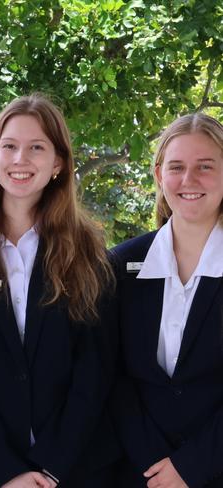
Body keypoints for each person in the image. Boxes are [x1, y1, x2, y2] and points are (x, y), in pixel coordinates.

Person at [0, 94, 120, 488]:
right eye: (10, 146)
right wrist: (8, 472)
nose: (21, 159)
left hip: (74, 469)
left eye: (37, 147)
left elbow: (95, 370)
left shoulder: (90, 253)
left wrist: (51, 467)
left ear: (58, 163)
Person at [111, 113, 223, 487]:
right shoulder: (119, 264)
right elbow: (111, 376)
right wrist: (154, 464)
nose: (189, 180)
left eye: (205, 166)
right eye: (177, 167)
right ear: (159, 175)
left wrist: (190, 466)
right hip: (140, 472)